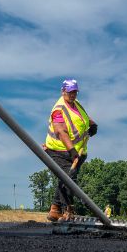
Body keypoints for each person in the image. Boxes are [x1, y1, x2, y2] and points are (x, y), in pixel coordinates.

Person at [44, 79, 97, 222]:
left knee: (65, 178)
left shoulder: (75, 104)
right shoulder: (58, 110)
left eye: (75, 92)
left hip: (77, 152)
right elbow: (61, 131)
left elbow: (82, 117)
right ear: (63, 92)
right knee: (69, 179)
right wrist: (72, 150)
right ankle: (69, 210)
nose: (73, 95)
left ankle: (55, 209)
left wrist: (92, 124)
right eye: (70, 92)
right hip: (59, 150)